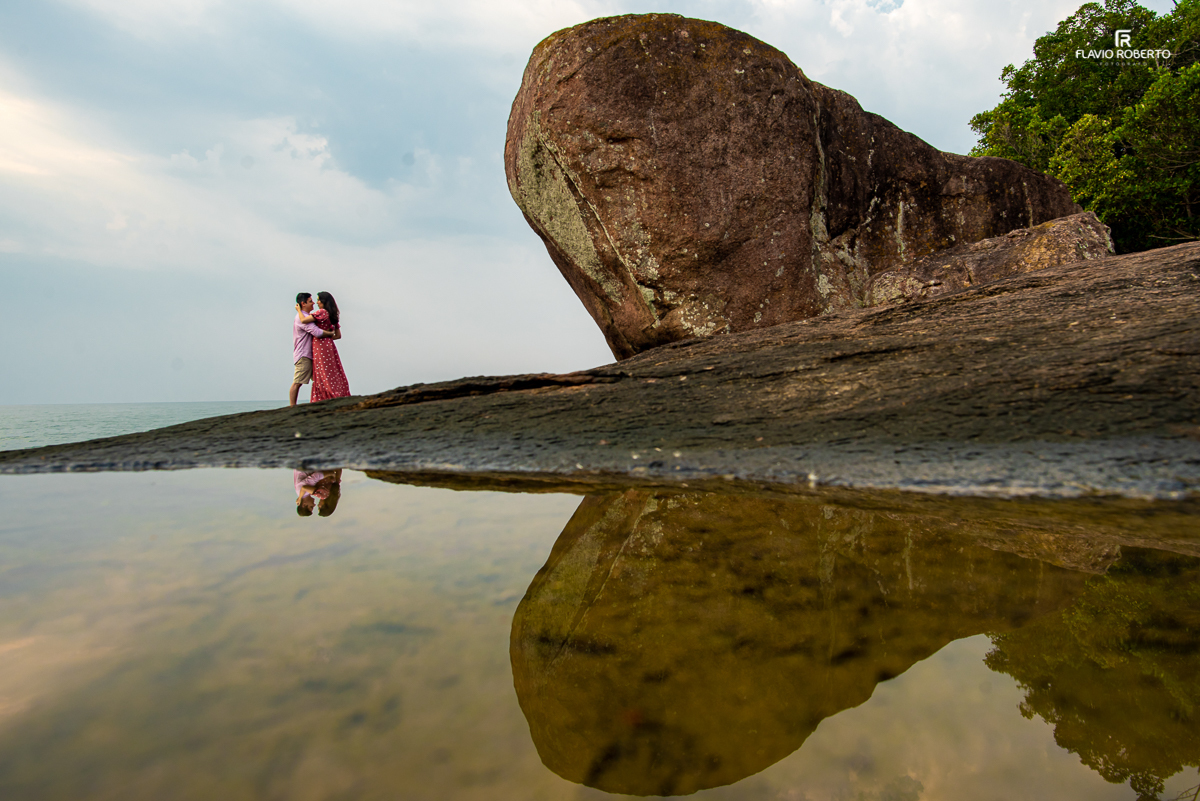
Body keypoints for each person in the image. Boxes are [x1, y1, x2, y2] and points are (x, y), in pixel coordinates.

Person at [296, 291, 350, 402]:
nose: (317, 302)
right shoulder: (332, 314)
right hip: (329, 345)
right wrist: (329, 337)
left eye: (318, 300)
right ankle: (337, 392)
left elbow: (303, 320)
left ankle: (325, 395)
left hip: (320, 345)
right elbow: (338, 335)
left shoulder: (322, 312)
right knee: (332, 370)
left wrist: (298, 310)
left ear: (323, 301)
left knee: (322, 372)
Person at [290, 292, 334, 407]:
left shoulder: (304, 316)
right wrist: (330, 333)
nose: (313, 303)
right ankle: (292, 406)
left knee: (318, 379)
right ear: (303, 303)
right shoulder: (301, 318)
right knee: (298, 382)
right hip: (304, 355)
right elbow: (317, 332)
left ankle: (321, 400)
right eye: (310, 301)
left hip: (309, 354)